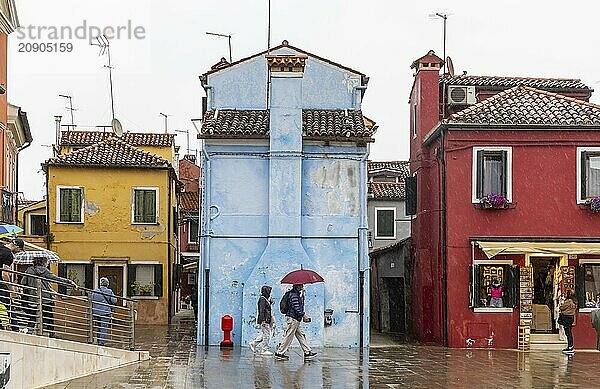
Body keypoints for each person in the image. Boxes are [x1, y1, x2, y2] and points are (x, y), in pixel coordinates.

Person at [20, 257, 76, 337]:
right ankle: (51, 333)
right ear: (43, 262)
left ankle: (29, 332)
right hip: (45, 298)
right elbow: (56, 279)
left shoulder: (29, 270)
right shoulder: (45, 270)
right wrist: (69, 282)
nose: (47, 264)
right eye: (47, 262)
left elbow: (23, 282)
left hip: (32, 298)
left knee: (33, 316)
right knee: (49, 316)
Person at [275, 284, 317, 361]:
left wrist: (301, 301)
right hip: (293, 318)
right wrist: (303, 315)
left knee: (301, 335)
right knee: (289, 336)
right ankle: (279, 353)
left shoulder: (296, 294)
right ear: (297, 286)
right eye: (301, 285)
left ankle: (307, 352)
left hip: (295, 319)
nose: (302, 287)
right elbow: (296, 307)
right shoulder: (294, 295)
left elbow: (297, 305)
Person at [0, 239, 24, 330]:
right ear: (17, 247)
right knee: (8, 304)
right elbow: (4, 274)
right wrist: (11, 289)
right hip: (1, 284)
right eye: (20, 250)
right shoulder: (8, 255)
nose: (18, 252)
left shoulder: (1, 248)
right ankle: (15, 328)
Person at [249, 285, 275, 356]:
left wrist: (270, 303)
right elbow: (261, 310)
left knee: (265, 334)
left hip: (267, 319)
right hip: (265, 320)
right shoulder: (262, 299)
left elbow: (266, 309)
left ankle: (253, 343)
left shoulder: (264, 299)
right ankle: (264, 349)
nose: (269, 293)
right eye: (269, 291)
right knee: (267, 335)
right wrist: (263, 320)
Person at [92, 277, 117, 346]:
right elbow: (114, 301)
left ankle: (98, 340)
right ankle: (101, 343)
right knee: (104, 327)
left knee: (99, 327)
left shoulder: (95, 291)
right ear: (107, 284)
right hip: (105, 312)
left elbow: (91, 300)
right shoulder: (109, 291)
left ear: (100, 284)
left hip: (96, 312)